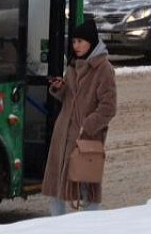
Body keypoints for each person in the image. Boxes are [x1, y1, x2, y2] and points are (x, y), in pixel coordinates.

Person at [41, 18, 117, 216]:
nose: (76, 46)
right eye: (74, 41)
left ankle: (89, 226)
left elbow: (109, 107)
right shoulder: (73, 66)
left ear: (91, 42)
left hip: (86, 137)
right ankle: (56, 223)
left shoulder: (103, 69)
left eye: (80, 41)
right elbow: (69, 97)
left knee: (86, 185)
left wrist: (88, 125)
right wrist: (60, 88)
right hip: (63, 134)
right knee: (57, 185)